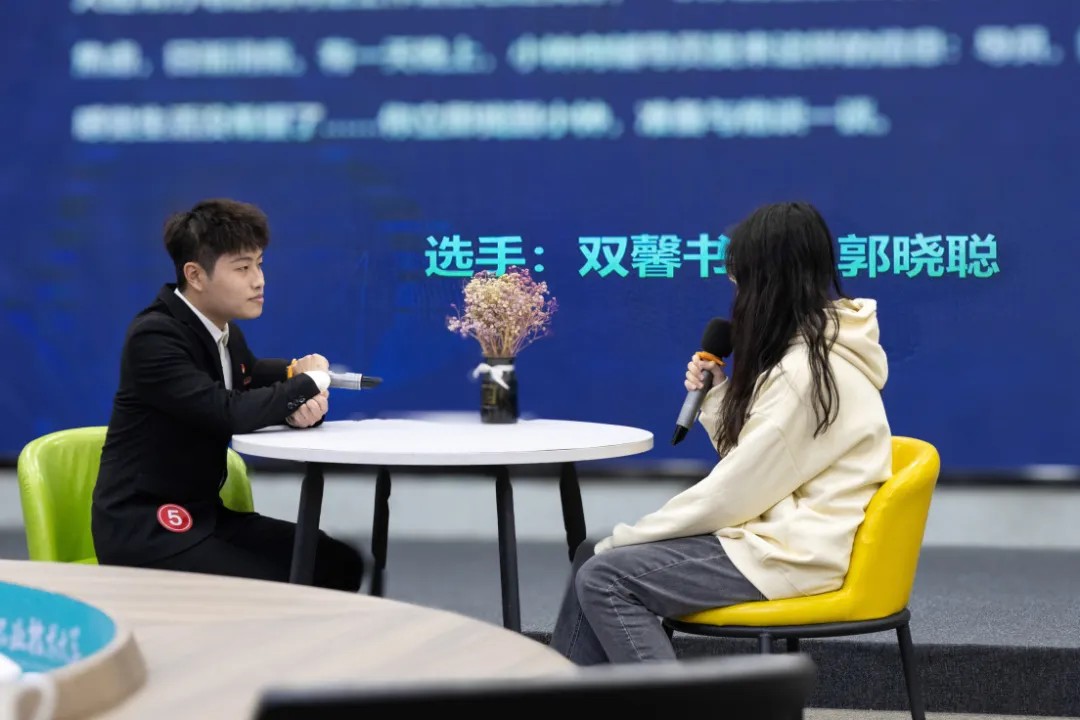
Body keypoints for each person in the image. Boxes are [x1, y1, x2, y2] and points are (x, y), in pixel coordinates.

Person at [549, 201, 892, 663]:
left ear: (767, 284)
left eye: (741, 281)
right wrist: (717, 395)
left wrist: (636, 534)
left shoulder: (803, 374)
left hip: (793, 554)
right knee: (592, 553)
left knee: (604, 576)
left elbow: (733, 492)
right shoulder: (815, 352)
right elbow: (760, 460)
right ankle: (565, 695)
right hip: (782, 535)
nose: (736, 294)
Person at [91, 198, 363, 591]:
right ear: (195, 275)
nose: (259, 280)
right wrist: (307, 384)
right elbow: (227, 410)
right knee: (280, 585)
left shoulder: (224, 333)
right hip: (147, 528)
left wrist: (302, 401)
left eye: (259, 264)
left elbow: (254, 382)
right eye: (242, 268)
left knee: (337, 563)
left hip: (206, 516)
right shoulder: (154, 336)